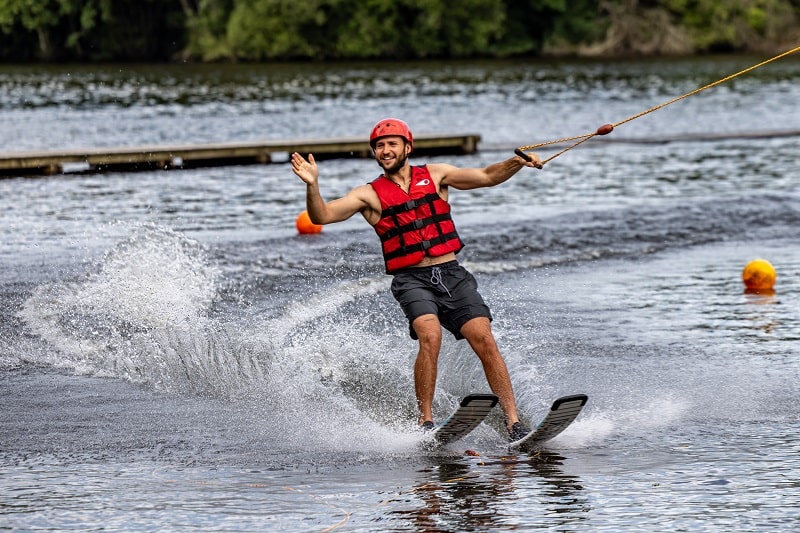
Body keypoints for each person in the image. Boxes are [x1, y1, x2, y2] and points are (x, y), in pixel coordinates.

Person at [291, 118, 543, 441]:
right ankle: (426, 422)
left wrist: (517, 162)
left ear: (407, 147)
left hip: (452, 273)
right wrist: (312, 184)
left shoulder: (436, 174)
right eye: (380, 146)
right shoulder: (369, 195)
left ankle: (514, 423)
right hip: (411, 279)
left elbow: (486, 176)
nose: (386, 150)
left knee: (484, 338)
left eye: (392, 144)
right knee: (430, 334)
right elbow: (321, 216)